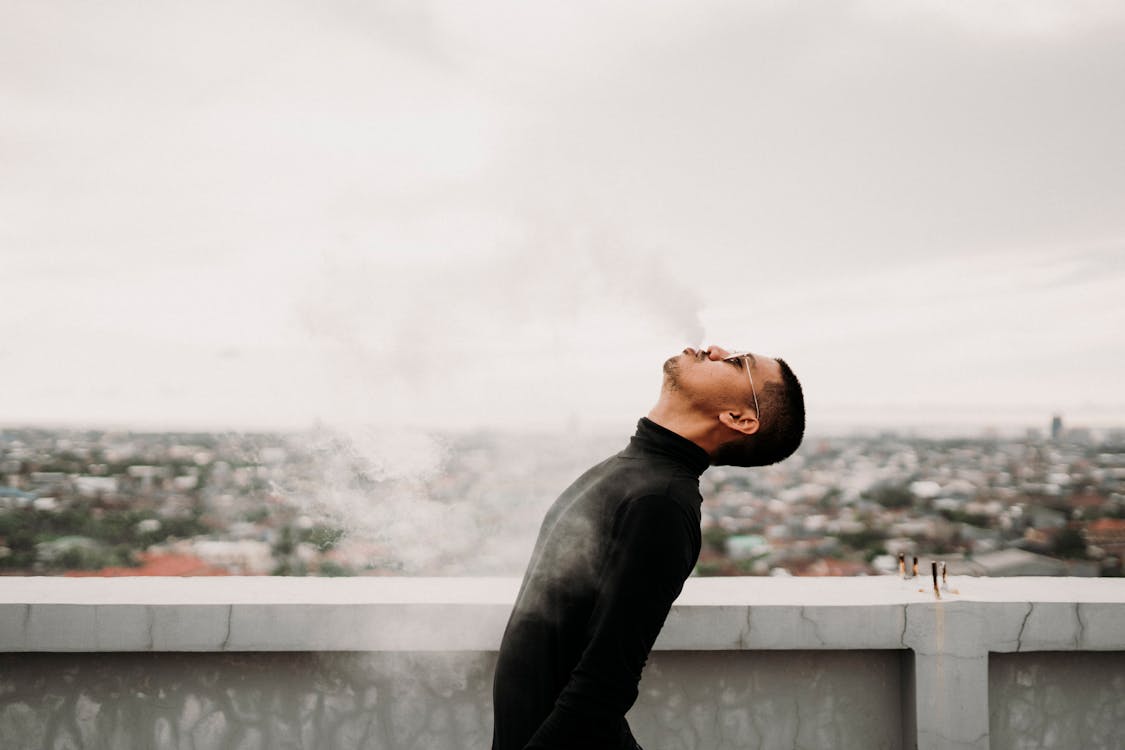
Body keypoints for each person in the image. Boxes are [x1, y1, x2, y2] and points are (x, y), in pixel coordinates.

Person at [491, 345, 806, 750]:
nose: (713, 349)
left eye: (736, 362)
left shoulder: (662, 503)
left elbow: (604, 687)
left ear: (740, 419)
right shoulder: (635, 472)